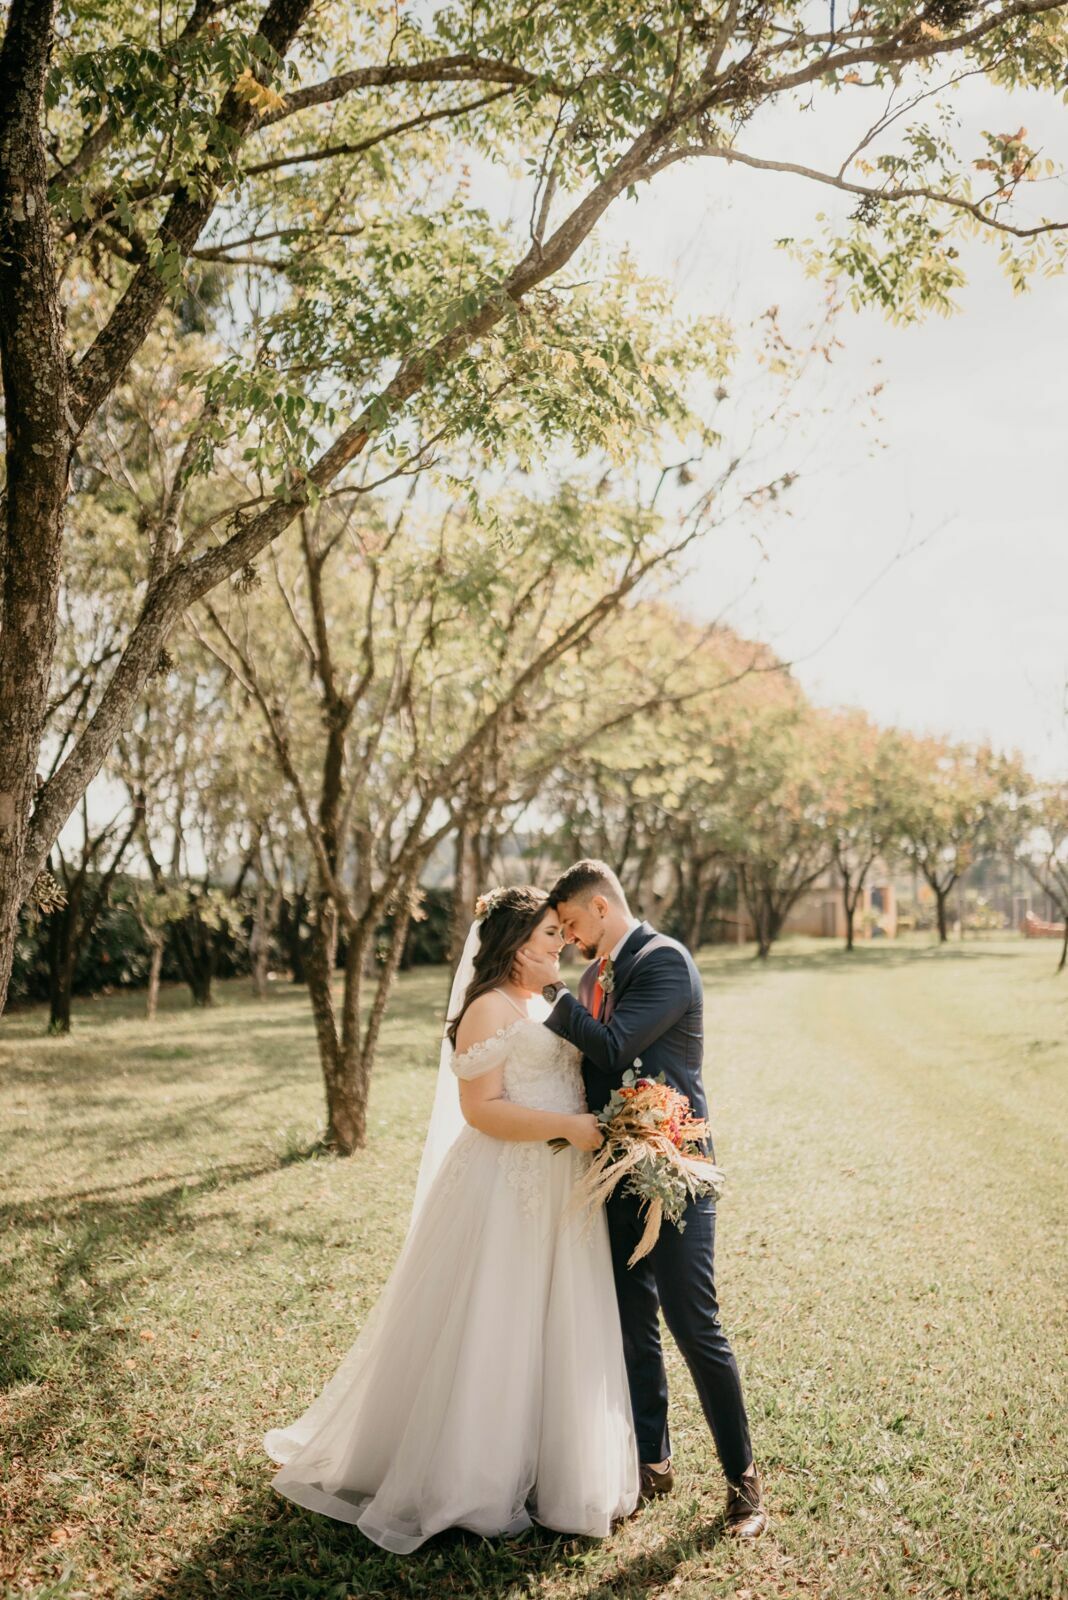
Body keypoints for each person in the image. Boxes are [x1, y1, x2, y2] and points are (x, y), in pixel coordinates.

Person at [263, 885, 639, 1552]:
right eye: (550, 934)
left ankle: (551, 1469)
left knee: (560, 1318)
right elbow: (481, 1110)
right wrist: (566, 1127)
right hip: (507, 1181)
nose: (561, 943)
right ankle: (472, 1478)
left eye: (562, 932)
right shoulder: (488, 1007)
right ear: (515, 944)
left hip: (564, 1180)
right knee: (498, 1317)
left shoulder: (548, 1000)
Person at [514, 859, 767, 1539]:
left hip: (675, 1168)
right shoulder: (595, 977)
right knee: (632, 1321)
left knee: (694, 1324)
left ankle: (744, 1482)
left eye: (572, 923)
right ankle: (653, 1461)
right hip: (611, 1170)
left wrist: (550, 991)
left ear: (601, 907)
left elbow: (615, 1044)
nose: (569, 938)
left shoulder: (664, 963)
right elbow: (590, 1070)